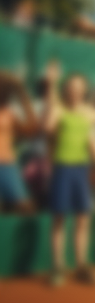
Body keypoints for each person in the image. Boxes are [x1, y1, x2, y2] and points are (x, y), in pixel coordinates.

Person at [41, 62, 95, 287]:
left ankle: (81, 266)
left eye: (79, 87)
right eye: (71, 87)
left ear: (84, 90)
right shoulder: (58, 109)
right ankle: (58, 267)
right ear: (66, 89)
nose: (75, 90)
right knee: (59, 218)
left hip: (82, 169)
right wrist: (52, 83)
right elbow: (48, 127)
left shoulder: (88, 112)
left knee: (83, 219)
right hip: (62, 168)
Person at [0, 71, 38, 213]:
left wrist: (22, 93)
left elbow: (32, 129)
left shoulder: (9, 113)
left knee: (25, 207)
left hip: (7, 164)